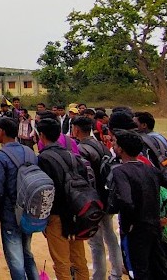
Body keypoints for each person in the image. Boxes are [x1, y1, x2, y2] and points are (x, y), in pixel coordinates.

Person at [108, 130, 167, 279]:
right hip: (155, 226)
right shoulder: (151, 170)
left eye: (115, 143)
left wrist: (129, 224)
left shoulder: (121, 172)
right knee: (159, 268)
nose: (113, 145)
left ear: (121, 149)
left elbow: (126, 200)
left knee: (139, 269)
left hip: (137, 230)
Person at [35, 116, 89, 280]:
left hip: (57, 214)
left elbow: (44, 191)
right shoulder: (73, 155)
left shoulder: (43, 158)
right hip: (77, 212)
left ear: (42, 135)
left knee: (61, 262)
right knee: (79, 259)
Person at [70, 116, 123, 280]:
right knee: (110, 235)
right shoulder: (101, 145)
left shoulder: (81, 149)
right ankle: (116, 272)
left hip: (93, 200)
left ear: (76, 129)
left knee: (95, 240)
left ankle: (99, 275)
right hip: (108, 196)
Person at [0, 117, 39, 280]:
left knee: (15, 259)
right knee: (27, 253)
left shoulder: (0, 156)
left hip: (10, 212)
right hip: (29, 210)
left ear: (2, 132)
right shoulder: (30, 152)